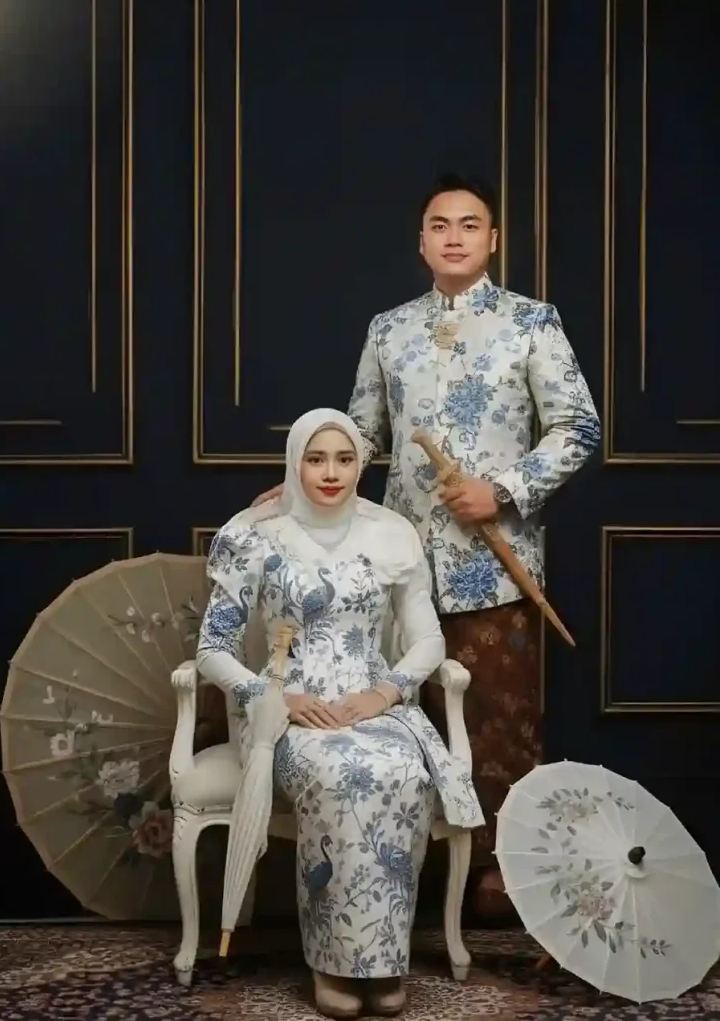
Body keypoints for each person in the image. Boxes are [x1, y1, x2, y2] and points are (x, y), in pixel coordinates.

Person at [252, 174, 601, 922]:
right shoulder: (390, 330)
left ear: (493, 239)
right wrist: (295, 483)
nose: (454, 236)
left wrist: (500, 490)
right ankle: (396, 876)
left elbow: (579, 427)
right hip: (396, 564)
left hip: (494, 566)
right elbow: (359, 433)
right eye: (440, 225)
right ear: (421, 242)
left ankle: (504, 876)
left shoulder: (531, 322)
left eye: (469, 224)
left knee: (500, 723)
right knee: (396, 720)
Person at [197, 408, 483, 1020]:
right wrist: (271, 698)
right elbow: (212, 649)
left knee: (402, 772)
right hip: (287, 714)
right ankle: (332, 964)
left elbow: (427, 640)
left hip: (371, 707)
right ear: (295, 464)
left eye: (345, 459)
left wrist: (385, 694)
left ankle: (382, 963)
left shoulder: (391, 533)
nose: (331, 473)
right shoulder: (253, 534)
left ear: (359, 466)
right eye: (316, 459)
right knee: (338, 775)